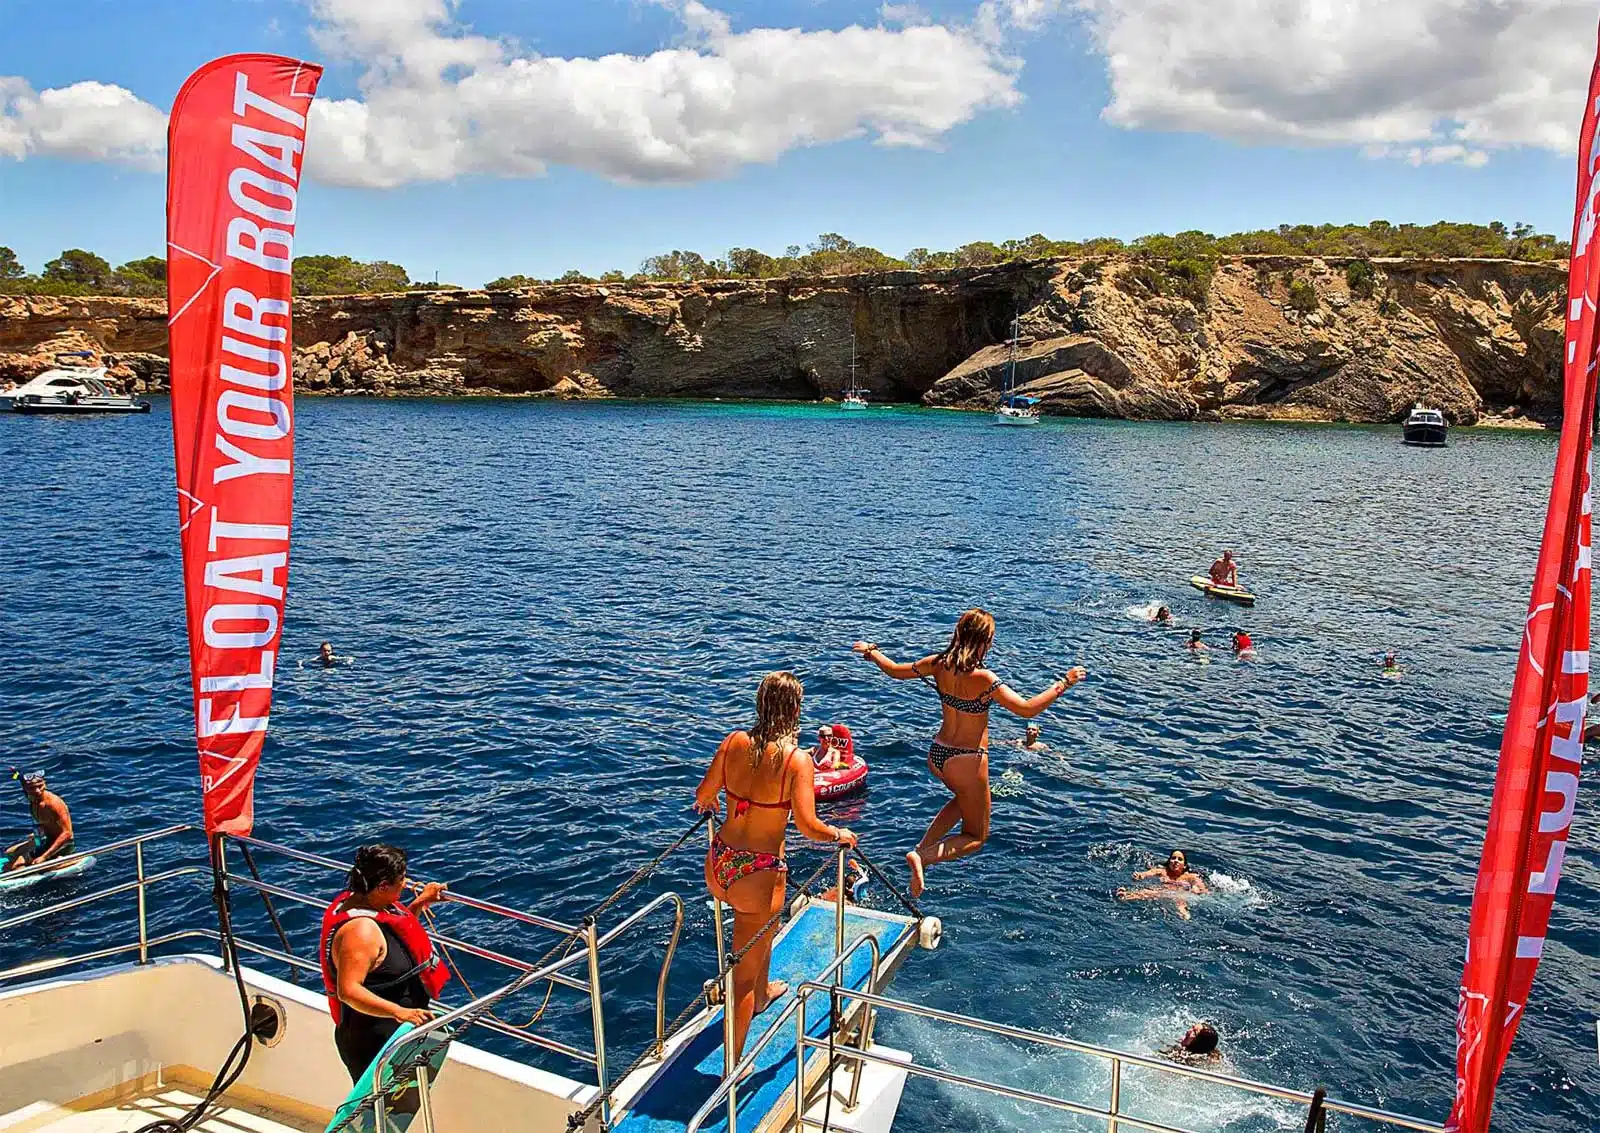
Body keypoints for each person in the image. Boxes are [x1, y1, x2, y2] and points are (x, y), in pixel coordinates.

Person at [853, 608, 1087, 898]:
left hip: (938, 754)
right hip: (967, 760)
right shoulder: (984, 678)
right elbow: (1027, 709)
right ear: (985, 641)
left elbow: (895, 671)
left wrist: (872, 652)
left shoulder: (938, 664)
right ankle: (923, 857)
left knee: (962, 801)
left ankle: (921, 849)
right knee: (976, 836)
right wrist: (1064, 682)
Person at [694, 672, 857, 1061]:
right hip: (758, 872)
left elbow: (703, 795)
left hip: (719, 862)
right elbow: (808, 826)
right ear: (795, 710)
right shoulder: (796, 761)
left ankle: (764, 993)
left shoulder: (734, 741)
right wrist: (838, 833)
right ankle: (731, 1071)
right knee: (741, 979)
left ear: (760, 703)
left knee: (764, 932)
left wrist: (716, 802)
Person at [319, 844, 451, 1096]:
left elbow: (392, 941)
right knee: (376, 1108)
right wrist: (400, 1012)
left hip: (395, 1032)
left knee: (394, 1108)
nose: (406, 884)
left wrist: (419, 903)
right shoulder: (360, 931)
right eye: (401, 880)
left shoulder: (369, 905)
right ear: (382, 886)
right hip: (374, 1040)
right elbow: (348, 990)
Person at [4, 773, 73, 872]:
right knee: (9, 852)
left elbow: (67, 833)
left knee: (12, 867)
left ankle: (62, 861)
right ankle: (42, 859)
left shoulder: (54, 804)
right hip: (44, 839)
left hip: (61, 845)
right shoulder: (32, 798)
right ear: (25, 789)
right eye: (32, 788)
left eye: (40, 786)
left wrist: (44, 857)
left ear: (45, 783)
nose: (37, 791)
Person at [1116, 849, 1211, 920]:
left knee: (1180, 904)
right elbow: (1148, 873)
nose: (1176, 861)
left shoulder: (1191, 876)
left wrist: (1196, 889)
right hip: (1164, 891)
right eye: (1173, 858)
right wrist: (1140, 875)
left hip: (1181, 894)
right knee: (1150, 891)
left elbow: (1203, 889)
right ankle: (1125, 896)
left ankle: (1185, 917)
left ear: (1184, 865)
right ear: (1169, 862)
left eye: (1180, 859)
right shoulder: (1162, 872)